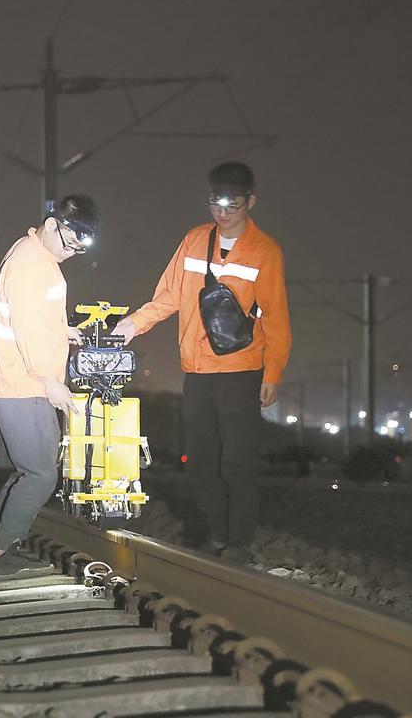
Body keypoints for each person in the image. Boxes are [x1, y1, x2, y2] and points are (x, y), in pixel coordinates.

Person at [112, 162, 291, 564]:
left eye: (232, 203)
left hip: (242, 370)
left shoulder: (265, 251)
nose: (222, 211)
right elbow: (169, 296)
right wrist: (133, 325)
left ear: (250, 202)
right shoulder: (195, 241)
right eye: (215, 201)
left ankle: (238, 541)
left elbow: (277, 316)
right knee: (201, 461)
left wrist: (273, 372)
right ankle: (216, 532)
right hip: (197, 371)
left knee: (237, 461)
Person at [0, 194, 98, 577]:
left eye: (78, 249)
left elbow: (31, 316)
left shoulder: (36, 256)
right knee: (41, 475)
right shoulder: (31, 266)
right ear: (51, 225)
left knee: (28, 472)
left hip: (20, 381)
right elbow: (28, 330)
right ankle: (0, 555)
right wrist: (51, 382)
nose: (71, 252)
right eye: (69, 243)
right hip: (22, 385)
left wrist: (62, 332)